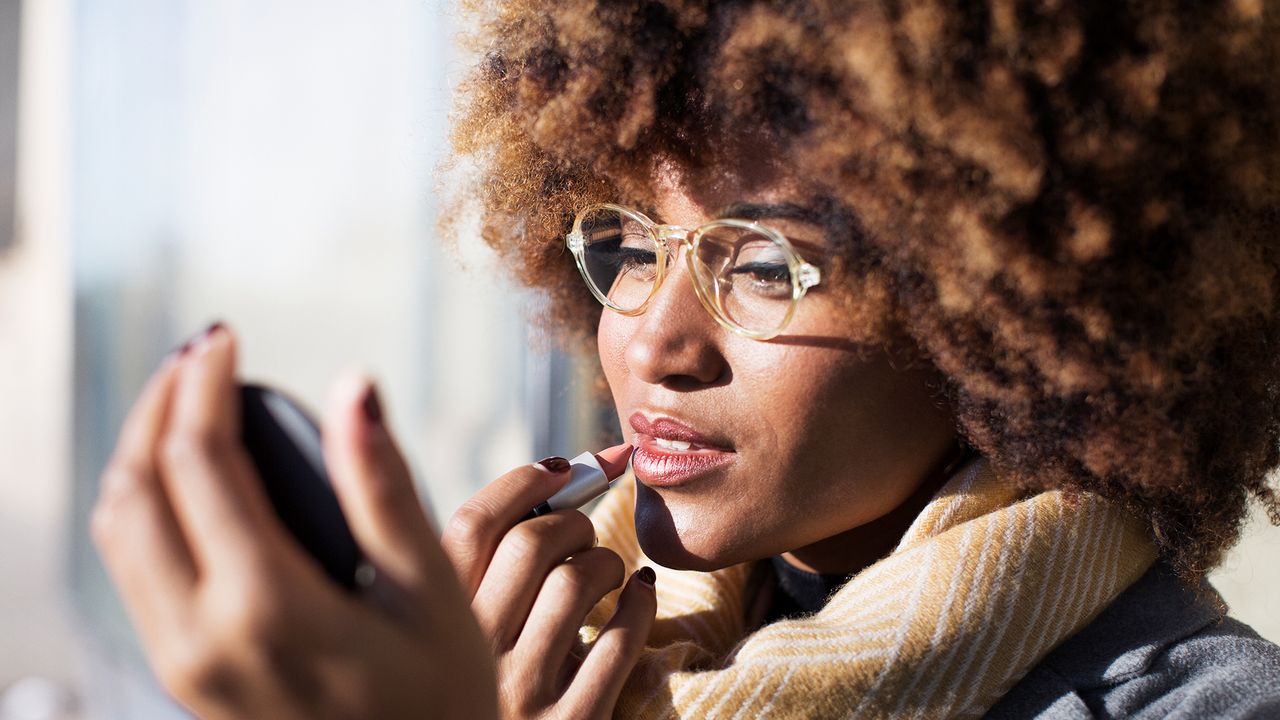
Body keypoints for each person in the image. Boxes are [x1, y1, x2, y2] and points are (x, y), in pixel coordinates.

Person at [91, 0, 1280, 717]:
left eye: (760, 263)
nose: (653, 338)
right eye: (623, 245)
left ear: (1006, 317)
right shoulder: (575, 658)